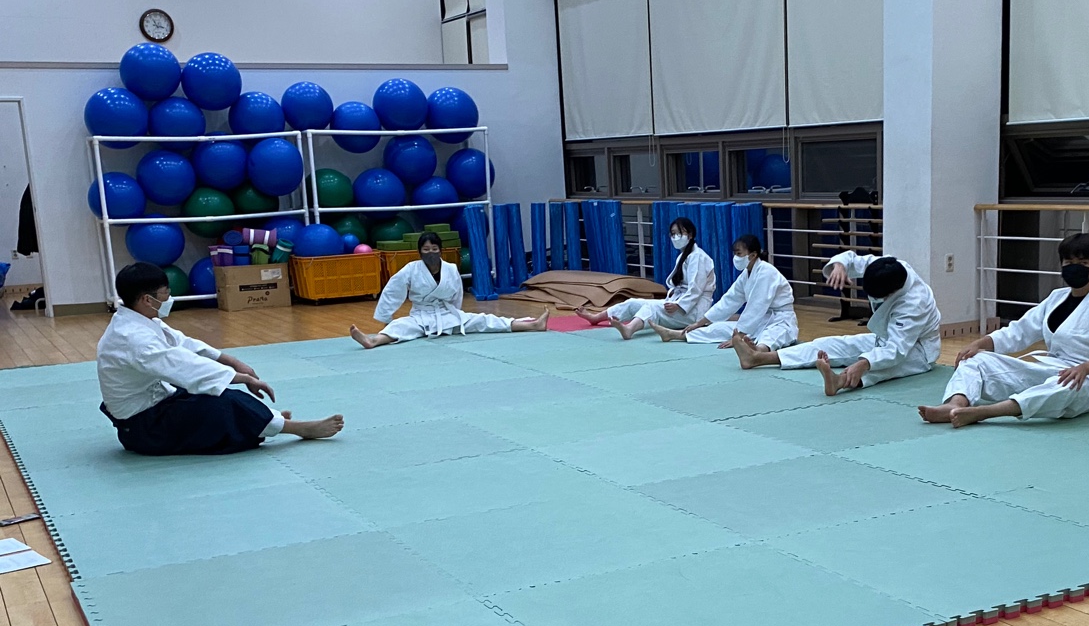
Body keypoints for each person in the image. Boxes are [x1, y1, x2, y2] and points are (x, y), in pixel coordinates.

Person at [98, 262, 342, 455]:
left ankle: (270, 420)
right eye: (165, 294)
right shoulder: (134, 338)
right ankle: (297, 428)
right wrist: (243, 378)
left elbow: (184, 344)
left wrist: (232, 362)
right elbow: (186, 367)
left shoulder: (139, 320)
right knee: (222, 404)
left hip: (155, 404)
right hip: (143, 428)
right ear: (146, 299)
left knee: (213, 394)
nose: (168, 299)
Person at [919, 232, 1089, 428]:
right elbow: (1019, 330)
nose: (1075, 267)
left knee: (1062, 388)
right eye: (1069, 262)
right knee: (975, 359)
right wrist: (979, 343)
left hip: (1086, 381)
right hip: (1050, 368)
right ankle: (955, 403)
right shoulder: (1056, 298)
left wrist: (1085, 368)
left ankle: (985, 412)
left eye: (1083, 262)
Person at [732, 251, 941, 396]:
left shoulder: (915, 303)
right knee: (831, 344)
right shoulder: (885, 266)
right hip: (885, 337)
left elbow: (896, 349)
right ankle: (758, 357)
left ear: (892, 293)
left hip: (918, 350)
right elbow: (852, 259)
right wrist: (840, 265)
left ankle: (839, 381)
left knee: (882, 368)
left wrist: (864, 363)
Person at [350, 232, 550, 348]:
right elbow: (393, 290)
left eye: (434, 249)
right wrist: (386, 316)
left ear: (440, 250)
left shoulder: (451, 269)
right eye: (426, 249)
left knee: (484, 320)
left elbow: (457, 294)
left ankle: (533, 325)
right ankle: (372, 341)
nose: (430, 253)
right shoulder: (411, 269)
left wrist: (456, 313)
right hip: (421, 316)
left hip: (448, 314)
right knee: (400, 327)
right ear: (419, 252)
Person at [575, 218, 714, 339]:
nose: (676, 237)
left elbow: (696, 289)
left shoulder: (698, 257)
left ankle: (629, 329)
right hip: (679, 304)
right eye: (673, 234)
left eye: (680, 233)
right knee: (633, 302)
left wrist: (679, 305)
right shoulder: (684, 256)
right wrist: (675, 302)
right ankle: (596, 317)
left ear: (690, 234)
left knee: (651, 308)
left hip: (694, 312)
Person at [653, 233, 797, 350]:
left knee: (769, 338)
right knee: (719, 328)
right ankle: (675, 334)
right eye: (735, 254)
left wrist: (738, 337)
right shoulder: (746, 275)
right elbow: (728, 301)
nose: (736, 258)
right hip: (760, 320)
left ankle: (758, 354)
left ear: (752, 255)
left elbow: (756, 306)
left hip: (781, 320)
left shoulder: (766, 272)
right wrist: (699, 323)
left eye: (739, 254)